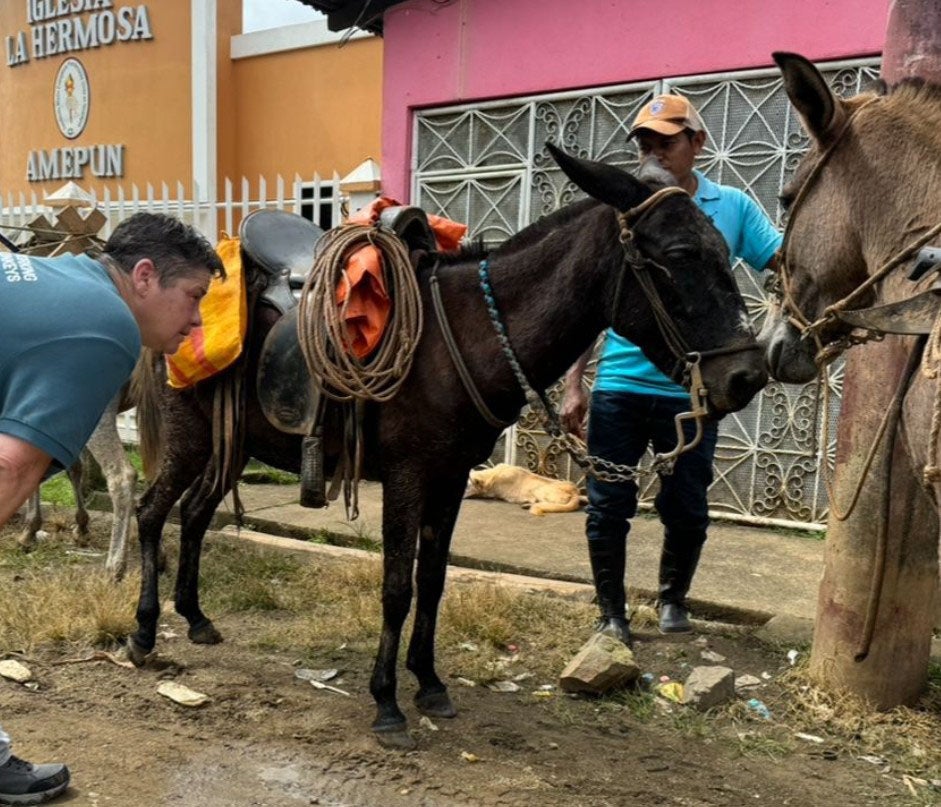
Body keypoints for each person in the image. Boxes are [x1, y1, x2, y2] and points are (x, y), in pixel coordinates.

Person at [0, 212, 223, 804]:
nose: (200, 317)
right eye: (194, 296)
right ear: (144, 277)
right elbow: (9, 468)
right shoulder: (106, 326)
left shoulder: (66, 280)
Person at [560, 94, 781, 645]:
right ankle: (611, 612)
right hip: (621, 384)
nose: (654, 151)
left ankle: (672, 601)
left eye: (667, 140)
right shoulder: (624, 210)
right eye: (646, 142)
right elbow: (595, 301)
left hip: (694, 388)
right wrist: (574, 383)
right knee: (609, 501)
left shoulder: (731, 207)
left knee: (685, 503)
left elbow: (784, 265)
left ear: (697, 143)